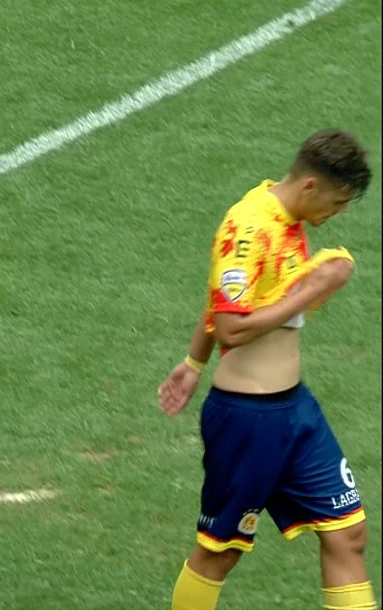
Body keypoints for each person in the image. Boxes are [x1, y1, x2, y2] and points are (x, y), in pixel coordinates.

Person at [158, 129, 376, 610]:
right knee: (220, 553)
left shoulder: (289, 221)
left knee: (348, 534)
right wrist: (316, 286)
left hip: (296, 410)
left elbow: (223, 303)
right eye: (338, 202)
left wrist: (193, 361)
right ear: (310, 186)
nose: (338, 213)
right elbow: (233, 328)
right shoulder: (247, 226)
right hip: (247, 418)